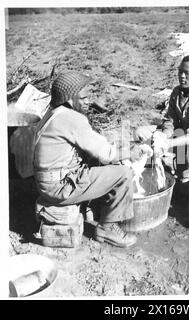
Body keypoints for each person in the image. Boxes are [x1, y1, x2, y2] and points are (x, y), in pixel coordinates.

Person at [33, 71, 137, 248]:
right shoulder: (72, 118)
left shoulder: (54, 113)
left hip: (48, 183)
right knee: (124, 174)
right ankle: (107, 229)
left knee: (94, 160)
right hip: (59, 189)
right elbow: (107, 154)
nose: (89, 101)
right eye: (84, 97)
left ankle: (92, 210)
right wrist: (132, 152)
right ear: (69, 99)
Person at [135, 55, 189, 199]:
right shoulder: (177, 92)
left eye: (187, 73)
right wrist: (163, 135)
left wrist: (168, 143)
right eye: (180, 71)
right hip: (180, 135)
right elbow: (170, 120)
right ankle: (152, 179)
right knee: (141, 133)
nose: (182, 76)